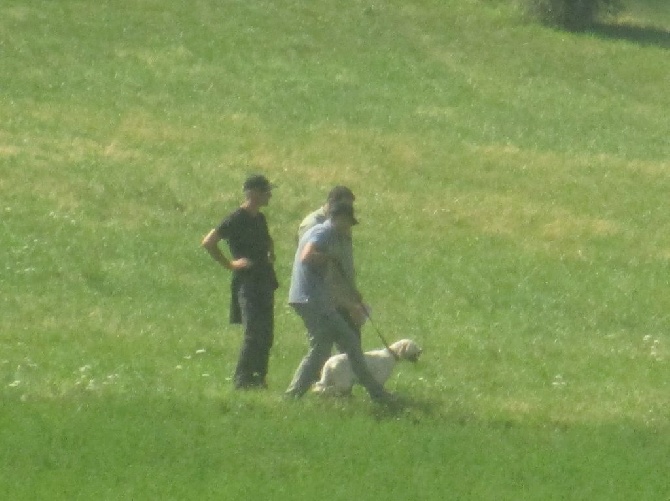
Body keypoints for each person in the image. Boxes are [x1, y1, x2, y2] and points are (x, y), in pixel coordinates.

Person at [285, 202, 393, 402]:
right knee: (333, 345)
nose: (348, 227)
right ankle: (377, 394)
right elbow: (307, 256)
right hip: (312, 300)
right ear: (340, 218)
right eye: (348, 222)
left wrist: (350, 301)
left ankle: (295, 394)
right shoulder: (325, 233)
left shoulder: (320, 230)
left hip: (312, 299)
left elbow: (329, 281)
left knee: (331, 345)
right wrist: (328, 258)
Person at [201, 174, 278, 389]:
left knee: (267, 333)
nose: (269, 195)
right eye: (265, 191)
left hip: (265, 280)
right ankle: (242, 380)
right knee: (253, 332)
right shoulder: (236, 218)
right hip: (248, 282)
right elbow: (209, 242)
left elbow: (267, 239)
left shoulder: (260, 218)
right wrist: (231, 264)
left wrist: (270, 251)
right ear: (253, 193)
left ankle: (259, 378)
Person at [298, 186, 366, 338]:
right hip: (327, 295)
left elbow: (344, 259)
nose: (348, 212)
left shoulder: (343, 224)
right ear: (332, 202)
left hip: (344, 293)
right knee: (334, 345)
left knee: (352, 342)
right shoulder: (315, 225)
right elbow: (309, 259)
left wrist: (351, 290)